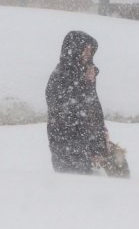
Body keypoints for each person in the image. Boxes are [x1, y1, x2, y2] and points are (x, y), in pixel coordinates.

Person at [45, 31, 109, 175]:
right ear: (74, 49)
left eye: (90, 50)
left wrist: (98, 145)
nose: (88, 53)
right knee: (72, 185)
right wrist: (84, 84)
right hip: (66, 142)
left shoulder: (87, 73)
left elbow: (94, 109)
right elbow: (64, 111)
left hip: (86, 143)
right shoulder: (60, 75)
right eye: (84, 49)